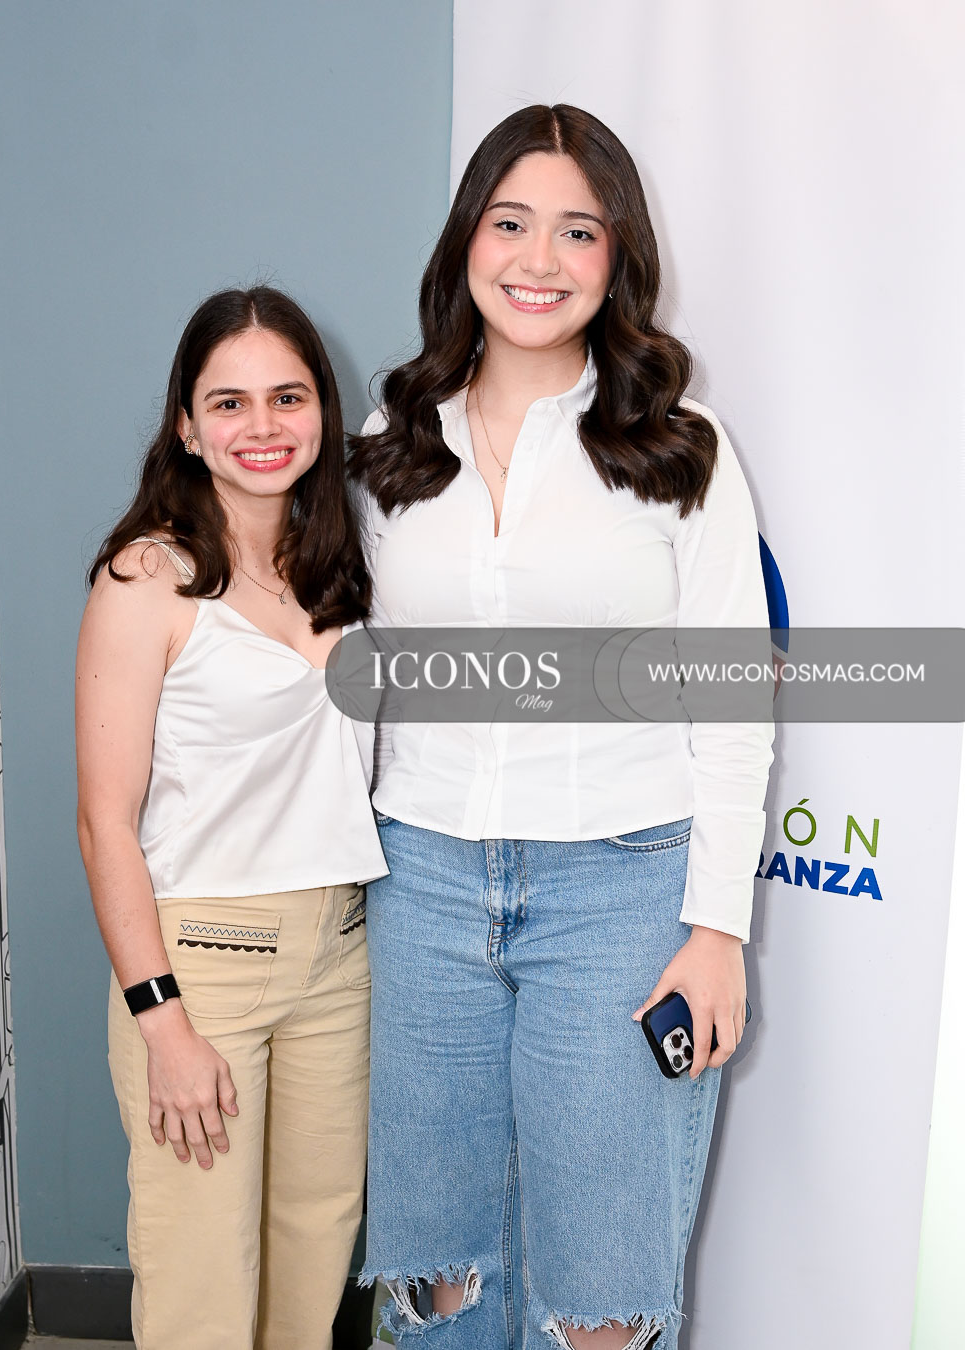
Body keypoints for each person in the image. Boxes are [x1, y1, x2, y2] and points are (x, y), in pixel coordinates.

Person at [349, 106, 774, 1350]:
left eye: (578, 232)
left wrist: (717, 931)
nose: (540, 260)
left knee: (600, 1297)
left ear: (618, 254)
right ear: (466, 241)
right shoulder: (388, 443)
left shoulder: (682, 450)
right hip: (422, 884)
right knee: (437, 1281)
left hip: (621, 893)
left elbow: (733, 698)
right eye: (511, 223)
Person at [75, 286, 387, 1350]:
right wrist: (160, 1019)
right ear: (186, 425)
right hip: (201, 968)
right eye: (230, 402)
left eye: (288, 397)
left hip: (340, 955)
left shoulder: (347, 561)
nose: (263, 425)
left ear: (322, 411)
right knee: (203, 1290)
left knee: (311, 1268)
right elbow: (104, 821)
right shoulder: (147, 578)